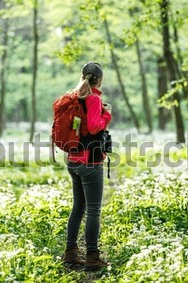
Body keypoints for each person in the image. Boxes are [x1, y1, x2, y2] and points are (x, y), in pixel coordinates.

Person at [62, 61, 112, 271]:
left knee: (78, 208)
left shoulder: (73, 96)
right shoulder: (93, 98)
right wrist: (106, 116)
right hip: (90, 161)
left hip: (73, 159)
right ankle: (92, 257)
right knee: (93, 210)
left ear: (83, 76)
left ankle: (70, 253)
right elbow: (93, 127)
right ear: (99, 79)